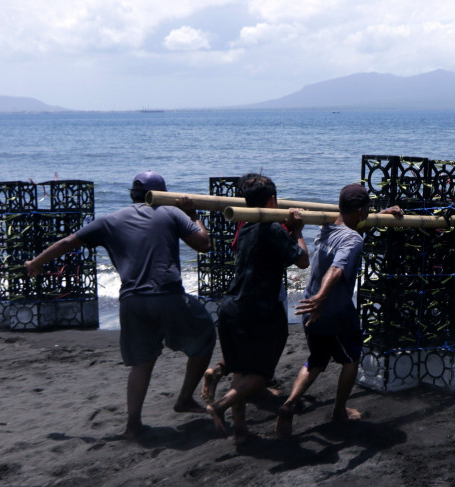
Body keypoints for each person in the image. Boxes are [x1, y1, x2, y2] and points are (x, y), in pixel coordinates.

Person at [25, 171, 216, 439]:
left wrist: (36, 263)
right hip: (168, 296)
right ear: (163, 194)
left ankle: (133, 425)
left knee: (142, 362)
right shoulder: (172, 213)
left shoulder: (109, 220)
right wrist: (193, 213)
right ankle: (184, 398)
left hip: (132, 300)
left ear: (132, 193)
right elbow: (204, 244)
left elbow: (68, 242)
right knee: (205, 335)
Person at [275, 183, 403, 438]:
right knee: (351, 358)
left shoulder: (327, 226)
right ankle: (339, 410)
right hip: (331, 310)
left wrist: (385, 213)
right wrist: (323, 297)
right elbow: (337, 268)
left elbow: (356, 225)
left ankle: (288, 405)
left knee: (317, 359)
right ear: (361, 210)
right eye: (368, 209)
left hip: (308, 306)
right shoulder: (353, 239)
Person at [206, 174, 309, 444]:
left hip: (232, 307)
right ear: (273, 200)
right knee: (262, 374)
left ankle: (240, 431)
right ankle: (220, 405)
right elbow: (302, 261)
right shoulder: (271, 228)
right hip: (259, 310)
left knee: (240, 370)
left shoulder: (245, 226)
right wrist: (297, 229)